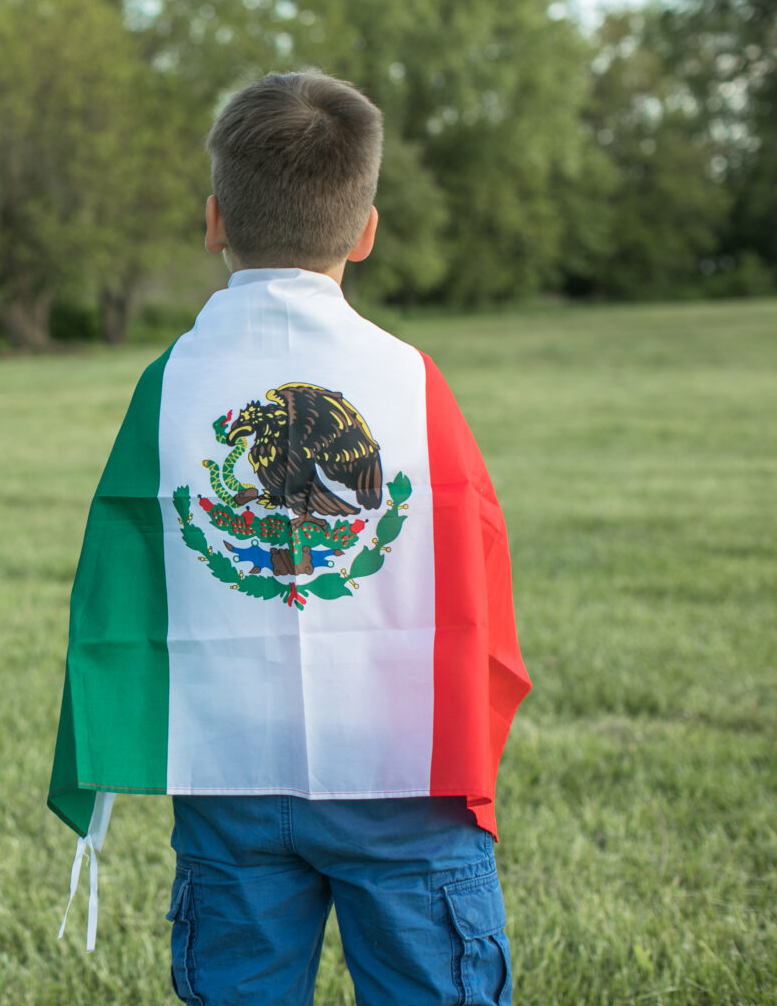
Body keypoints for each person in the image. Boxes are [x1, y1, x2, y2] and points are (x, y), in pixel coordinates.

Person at [48, 71, 531, 1006]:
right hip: (405, 773)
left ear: (215, 220)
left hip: (230, 773)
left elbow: (124, 566)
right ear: (366, 231)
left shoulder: (170, 383)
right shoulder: (413, 382)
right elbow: (476, 574)